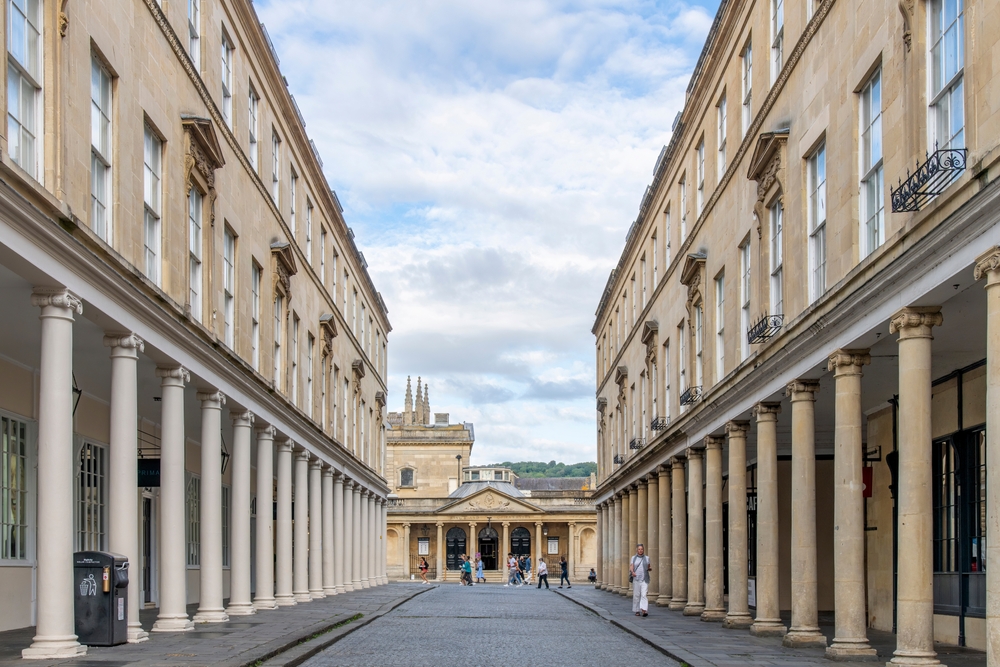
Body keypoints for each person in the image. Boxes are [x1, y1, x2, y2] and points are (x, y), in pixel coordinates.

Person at [629, 543, 650, 617]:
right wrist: (632, 572)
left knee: (644, 594)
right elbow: (631, 566)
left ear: (643, 550)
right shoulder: (633, 558)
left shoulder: (647, 558)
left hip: (644, 579)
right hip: (636, 579)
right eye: (639, 549)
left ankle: (644, 610)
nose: (640, 550)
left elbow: (648, 566)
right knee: (636, 595)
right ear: (637, 550)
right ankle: (637, 610)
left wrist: (649, 569)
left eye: (642, 549)